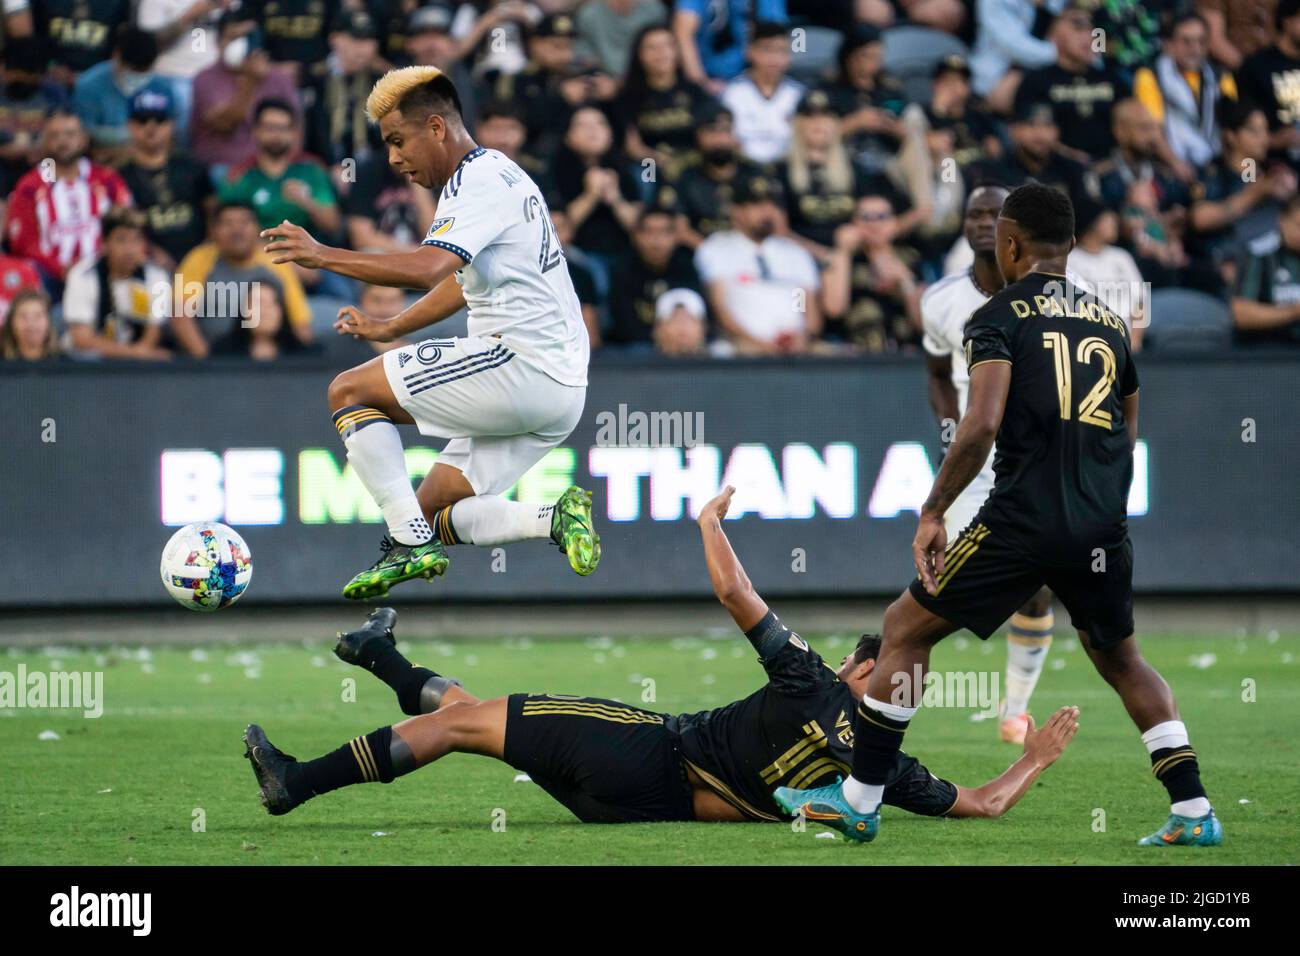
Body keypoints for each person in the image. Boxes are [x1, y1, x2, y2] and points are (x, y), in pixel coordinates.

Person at [774, 183, 1221, 850]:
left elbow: (978, 424)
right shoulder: (1105, 320)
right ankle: (1193, 810)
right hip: (1100, 527)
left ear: (1010, 244)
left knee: (904, 626)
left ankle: (859, 802)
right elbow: (1127, 428)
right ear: (1070, 245)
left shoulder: (997, 316)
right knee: (1124, 659)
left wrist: (933, 509)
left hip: (1020, 521)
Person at [243, 488, 1082, 824]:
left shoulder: (810, 680)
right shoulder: (886, 768)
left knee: (463, 726)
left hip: (648, 747)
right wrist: (1038, 761)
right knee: (481, 719)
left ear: (860, 667)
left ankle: (299, 782)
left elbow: (737, 597)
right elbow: (980, 804)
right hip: (639, 806)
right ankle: (385, 656)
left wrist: (709, 524)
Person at [260, 66, 600, 600]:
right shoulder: (499, 172)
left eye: (398, 140)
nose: (394, 158)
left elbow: (425, 268)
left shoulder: (476, 182)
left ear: (437, 127)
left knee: (348, 392)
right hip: (561, 389)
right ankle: (554, 517)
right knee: (430, 510)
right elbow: (461, 283)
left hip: (520, 365)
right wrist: (393, 325)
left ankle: (407, 548)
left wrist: (323, 255)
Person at [921, 186, 1058, 743]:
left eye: (992, 214)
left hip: (1032, 456)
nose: (981, 222)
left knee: (1036, 586)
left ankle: (1015, 710)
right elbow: (936, 374)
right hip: (974, 458)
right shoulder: (939, 300)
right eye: (973, 213)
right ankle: (875, 694)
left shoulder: (1054, 297)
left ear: (1013, 229)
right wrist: (952, 429)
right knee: (940, 587)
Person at [694, 172, 822, 354]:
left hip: (796, 351)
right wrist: (760, 344)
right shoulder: (717, 249)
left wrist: (801, 336)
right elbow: (720, 308)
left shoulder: (796, 254)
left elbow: (807, 309)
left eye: (772, 204)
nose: (767, 212)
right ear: (736, 210)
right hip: (741, 349)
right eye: (757, 205)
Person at [6, 109, 133, 290]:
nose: (63, 141)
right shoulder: (30, 186)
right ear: (44, 141)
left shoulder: (107, 180)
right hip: (50, 279)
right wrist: (61, 269)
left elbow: (127, 224)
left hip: (106, 274)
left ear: (83, 139)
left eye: (70, 134)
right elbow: (23, 243)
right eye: (55, 135)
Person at [171, 200, 314, 358]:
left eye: (245, 222)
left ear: (258, 228)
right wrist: (207, 360)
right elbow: (180, 315)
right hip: (210, 361)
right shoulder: (200, 259)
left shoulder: (276, 263)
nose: (237, 231)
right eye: (228, 223)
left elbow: (300, 323)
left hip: (267, 363)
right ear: (213, 230)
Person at [118, 87, 215, 270]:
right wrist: (150, 253)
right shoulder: (120, 176)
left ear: (171, 124)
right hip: (145, 265)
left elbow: (213, 212)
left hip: (201, 262)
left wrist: (204, 253)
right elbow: (122, 228)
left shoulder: (193, 168)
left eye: (160, 120)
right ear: (130, 125)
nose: (151, 127)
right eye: (142, 120)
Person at [61, 208, 172, 360]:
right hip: (92, 364)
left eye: (136, 240)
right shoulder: (83, 275)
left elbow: (152, 334)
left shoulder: (157, 276)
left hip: (140, 362)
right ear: (104, 243)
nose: (130, 249)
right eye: (121, 240)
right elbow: (82, 339)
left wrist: (139, 354)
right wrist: (134, 354)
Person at [1133, 11, 1239, 170]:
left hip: (1216, 162)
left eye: (1201, 41)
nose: (1195, 49)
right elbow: (1153, 131)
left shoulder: (1221, 76)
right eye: (1186, 42)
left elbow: (1232, 125)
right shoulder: (1150, 76)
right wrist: (1176, 164)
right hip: (1168, 165)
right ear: (1168, 44)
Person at [823, 193, 921, 352]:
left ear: (894, 223)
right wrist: (843, 251)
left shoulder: (910, 257)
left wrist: (905, 280)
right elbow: (834, 308)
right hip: (860, 355)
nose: (873, 224)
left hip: (905, 354)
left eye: (881, 216)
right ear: (853, 223)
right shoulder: (843, 258)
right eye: (865, 217)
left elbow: (923, 324)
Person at [607, 207, 703, 347]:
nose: (656, 240)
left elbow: (697, 317)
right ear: (635, 235)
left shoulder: (687, 267)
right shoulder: (622, 269)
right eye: (649, 232)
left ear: (676, 236)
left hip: (679, 347)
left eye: (664, 232)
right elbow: (623, 324)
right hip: (634, 350)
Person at [720, 20, 804, 166]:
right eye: (767, 50)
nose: (774, 58)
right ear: (750, 52)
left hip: (788, 168)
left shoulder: (798, 94)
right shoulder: (731, 93)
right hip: (742, 168)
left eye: (781, 51)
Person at [1230, 193, 1300, 345]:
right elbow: (1240, 313)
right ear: (1282, 221)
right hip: (1268, 355)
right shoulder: (1260, 252)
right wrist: (1294, 312)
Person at [0, 288, 60, 361]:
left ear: (48, 322)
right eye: (23, 316)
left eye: (38, 316)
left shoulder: (67, 365)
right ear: (12, 323)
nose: (31, 324)